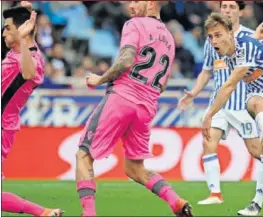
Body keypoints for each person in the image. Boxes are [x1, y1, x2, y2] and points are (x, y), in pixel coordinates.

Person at [178, 1, 263, 206]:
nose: (227, 10)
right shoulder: (212, 40)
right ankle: (215, 193)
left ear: (240, 12)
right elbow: (207, 70)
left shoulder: (248, 38)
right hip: (220, 101)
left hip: (243, 102)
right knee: (208, 141)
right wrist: (194, 92)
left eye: (232, 7)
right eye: (224, 6)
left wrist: (258, 40)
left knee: (256, 150)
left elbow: (254, 65)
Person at [76, 2, 192, 216]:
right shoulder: (169, 37)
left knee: (84, 154)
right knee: (134, 168)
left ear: (150, 3)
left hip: (122, 98)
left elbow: (127, 60)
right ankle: (175, 201)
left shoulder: (135, 24)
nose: (130, 6)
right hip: (147, 107)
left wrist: (100, 79)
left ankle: (89, 213)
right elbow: (163, 84)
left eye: (135, 1)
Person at [1, 2, 63, 216]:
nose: (3, 33)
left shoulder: (32, 61)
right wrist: (22, 11)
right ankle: (43, 212)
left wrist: (24, 38)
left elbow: (27, 73)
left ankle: (42, 212)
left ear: (20, 31)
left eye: (7, 28)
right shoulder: (17, 51)